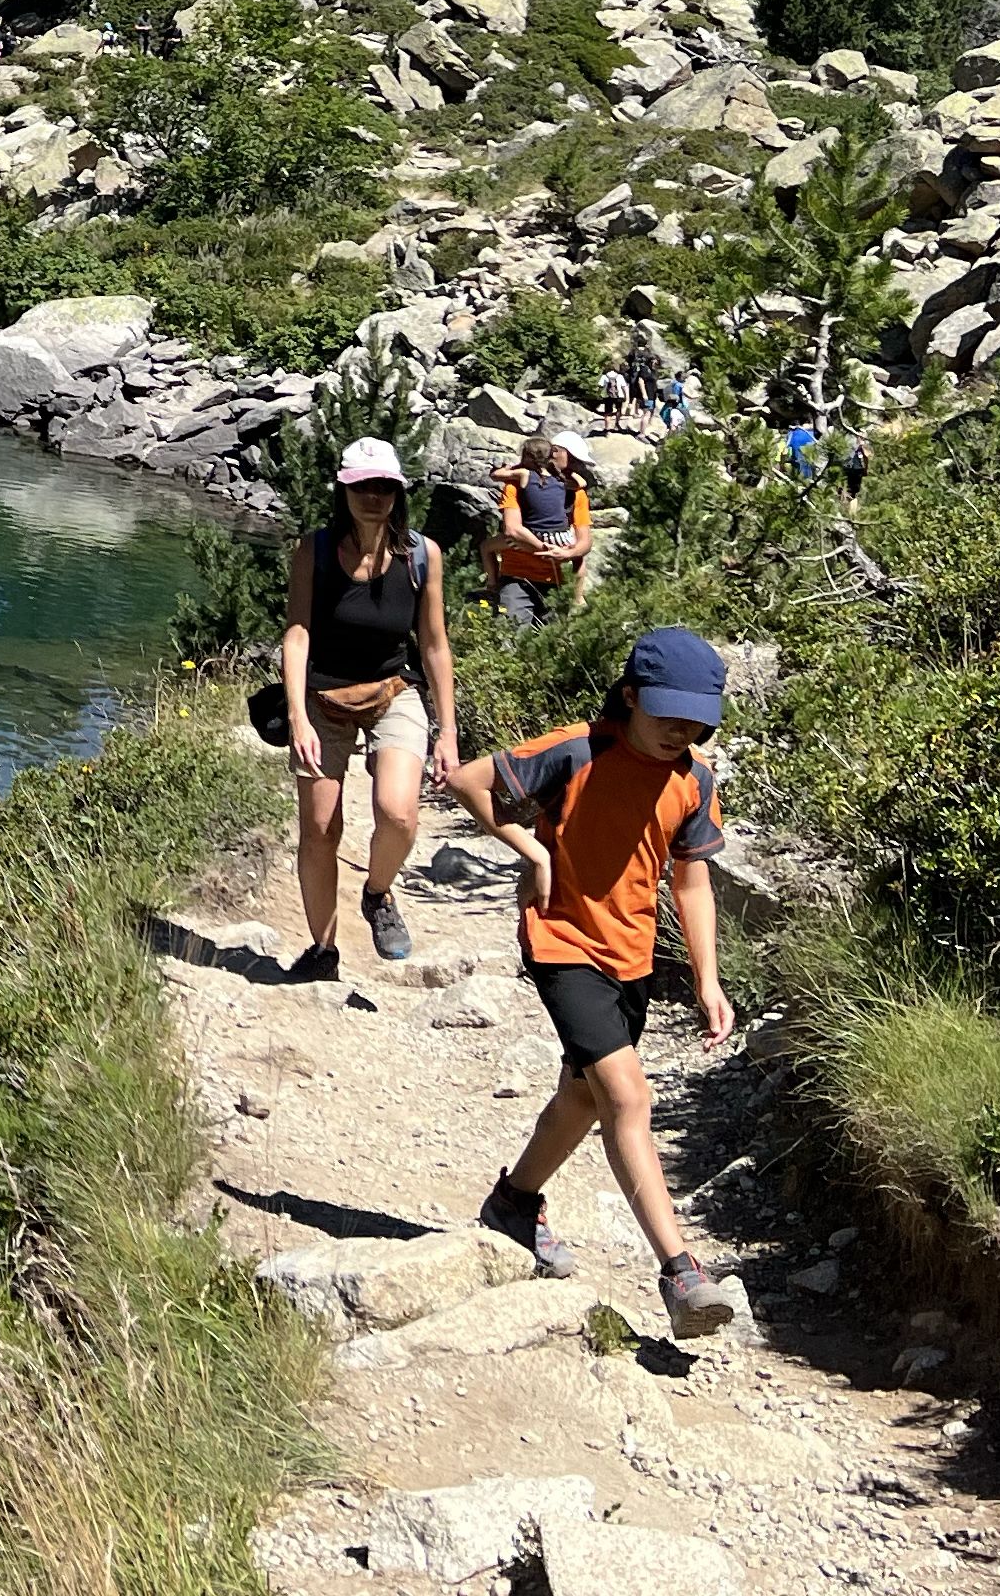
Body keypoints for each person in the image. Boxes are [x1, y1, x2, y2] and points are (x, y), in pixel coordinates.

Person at [444, 629, 742, 1338]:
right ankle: (681, 1273)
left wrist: (708, 980)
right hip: (561, 943)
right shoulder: (579, 750)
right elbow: (466, 780)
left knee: (582, 1096)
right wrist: (528, 848)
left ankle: (514, 1204)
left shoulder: (693, 781)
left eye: (696, 718)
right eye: (668, 712)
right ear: (632, 696)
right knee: (626, 1095)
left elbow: (691, 883)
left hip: (631, 959)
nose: (682, 730)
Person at [274, 437, 458, 979]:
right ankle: (323, 950)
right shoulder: (315, 550)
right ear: (344, 489)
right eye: (362, 486)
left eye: (384, 487)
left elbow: (434, 644)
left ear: (398, 492)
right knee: (320, 829)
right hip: (323, 698)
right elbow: (298, 633)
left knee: (398, 812)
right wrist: (298, 717)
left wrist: (447, 731)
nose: (373, 497)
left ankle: (377, 893)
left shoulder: (422, 556)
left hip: (391, 692)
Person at [485, 427, 593, 628]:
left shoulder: (575, 493)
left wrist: (566, 555)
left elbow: (585, 541)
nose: (578, 466)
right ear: (556, 452)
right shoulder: (515, 486)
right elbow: (512, 529)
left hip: (557, 584)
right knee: (511, 638)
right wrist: (552, 551)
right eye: (574, 459)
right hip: (518, 578)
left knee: (554, 646)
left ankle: (491, 585)